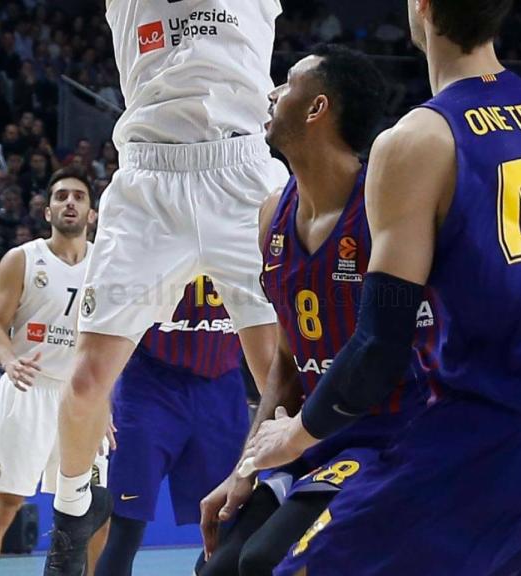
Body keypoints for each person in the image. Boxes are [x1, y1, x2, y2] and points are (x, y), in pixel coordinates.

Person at [243, 2, 521, 575]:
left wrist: (295, 435)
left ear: (421, 7)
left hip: (499, 446)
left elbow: (379, 347)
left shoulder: (417, 138)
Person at [48, 2, 290, 571]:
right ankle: (69, 518)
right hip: (149, 180)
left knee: (281, 383)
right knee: (85, 383)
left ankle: (282, 516)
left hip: (243, 174)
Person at [196, 46, 412, 576]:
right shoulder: (273, 213)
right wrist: (246, 466)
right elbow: (287, 363)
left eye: (286, 83)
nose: (271, 94)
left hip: (389, 439)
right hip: (312, 442)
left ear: (316, 108)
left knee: (265, 563)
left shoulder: (385, 204)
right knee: (218, 569)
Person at [0, 167, 108, 576]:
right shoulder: (22, 259)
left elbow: (113, 340)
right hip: (29, 391)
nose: (70, 202)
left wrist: (107, 401)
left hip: (83, 397)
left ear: (91, 213)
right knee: (4, 506)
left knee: (96, 509)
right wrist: (9, 361)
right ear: (47, 211)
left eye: (78, 197)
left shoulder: (107, 263)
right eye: (61, 196)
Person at [95, 277, 248, 576]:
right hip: (150, 381)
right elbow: (102, 316)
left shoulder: (252, 234)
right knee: (125, 518)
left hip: (222, 383)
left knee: (228, 519)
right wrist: (100, 394)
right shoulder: (146, 233)